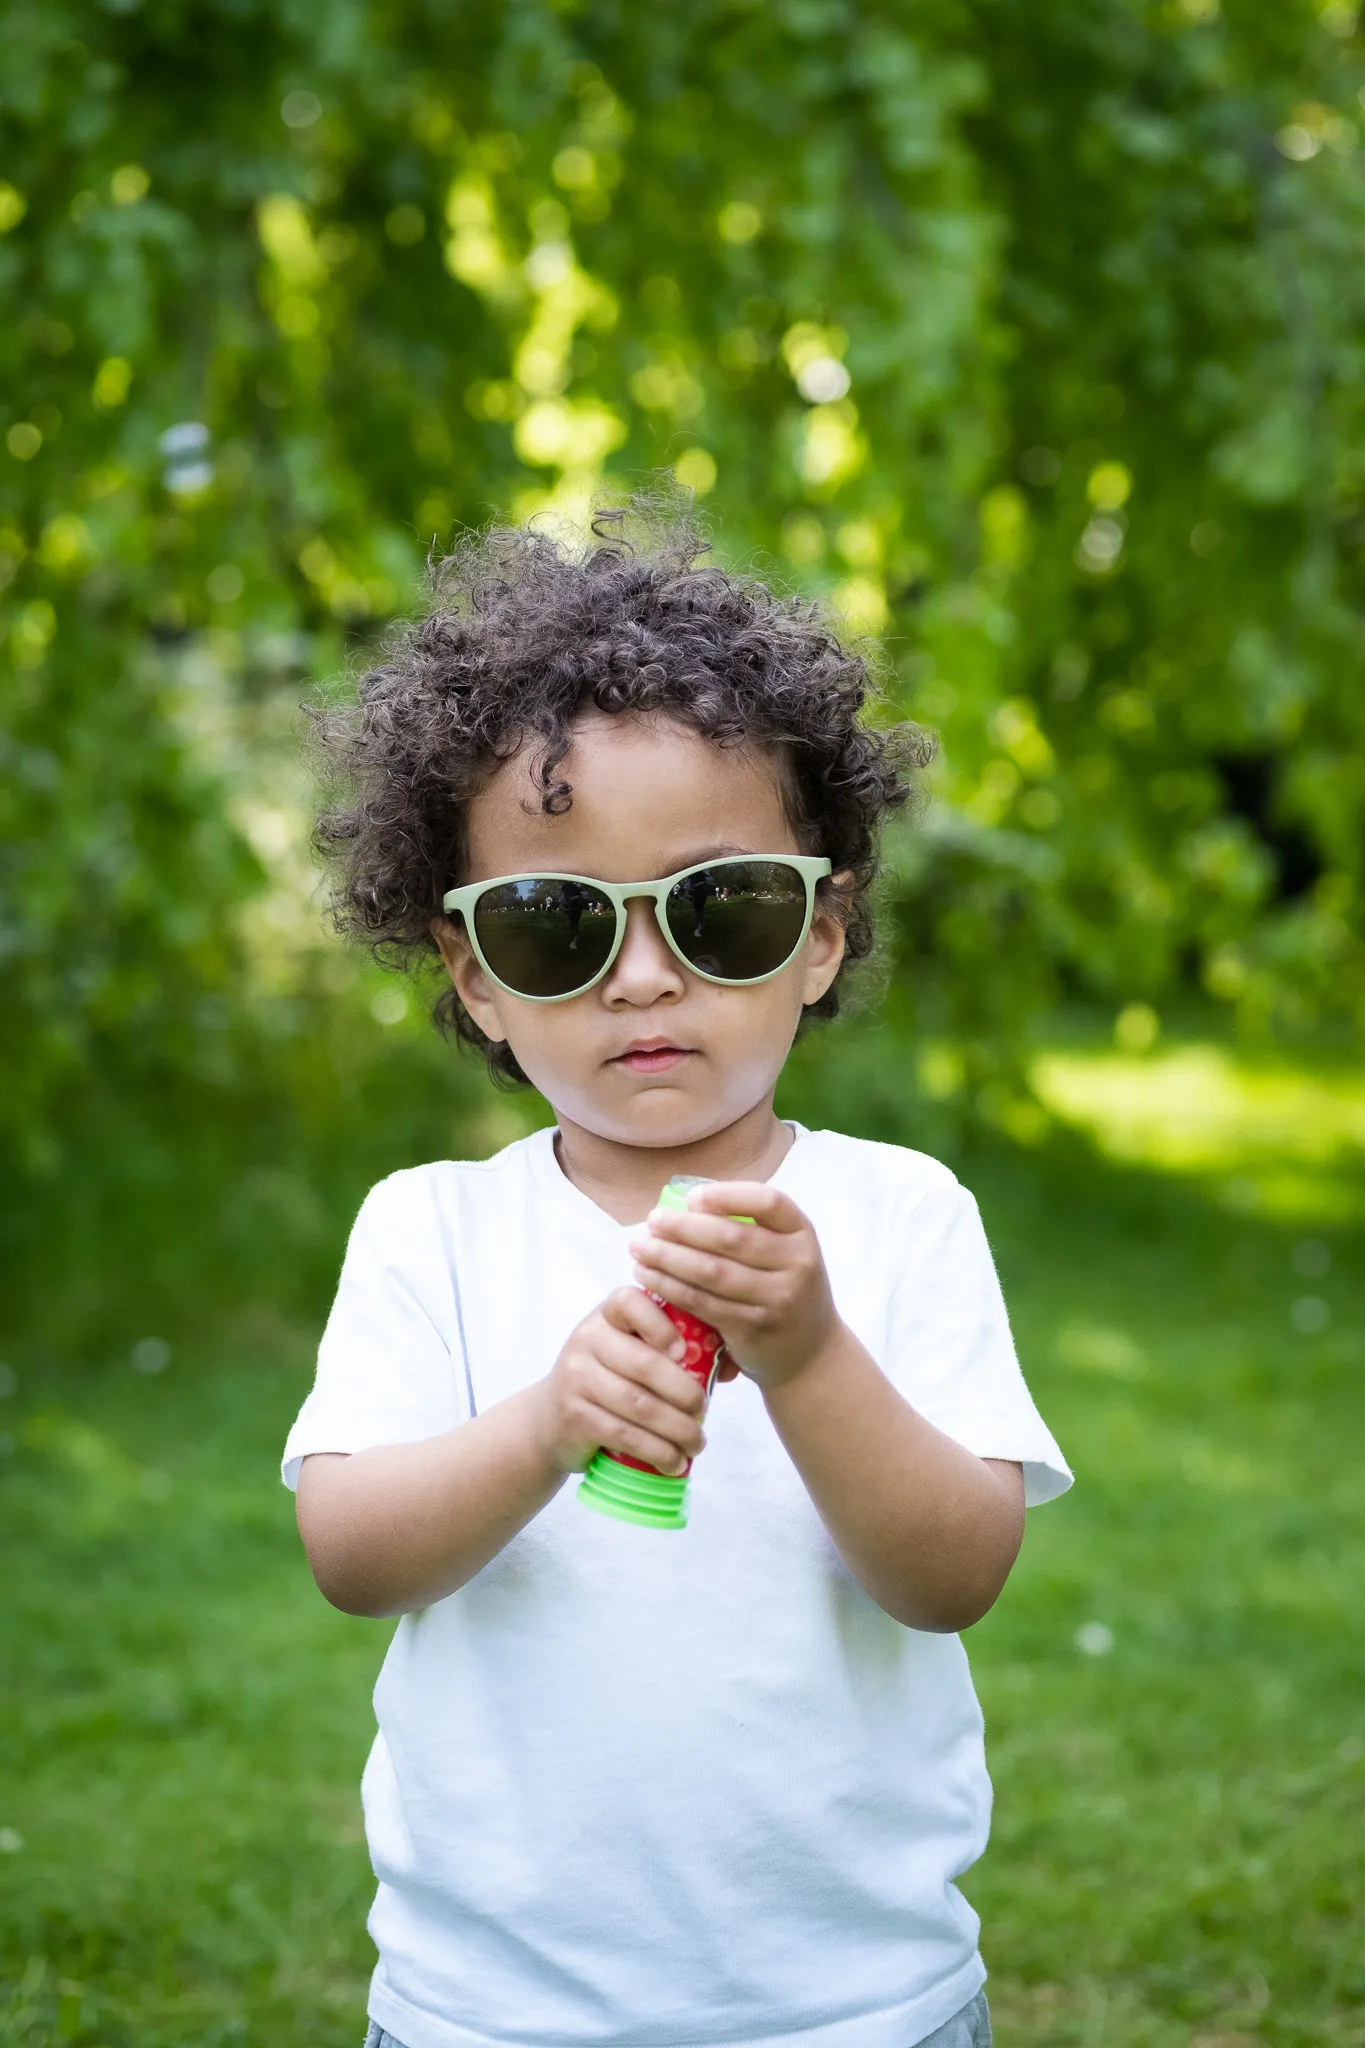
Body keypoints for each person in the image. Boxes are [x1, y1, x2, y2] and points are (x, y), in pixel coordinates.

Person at [285, 498, 1071, 2048]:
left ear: (821, 936)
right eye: (555, 923)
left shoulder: (900, 1218)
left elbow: (952, 1575)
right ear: (476, 979)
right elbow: (352, 1555)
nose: (644, 973)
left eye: (721, 908)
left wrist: (811, 1355)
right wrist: (543, 1423)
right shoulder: (429, 1231)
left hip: (855, 2007)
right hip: (493, 2012)